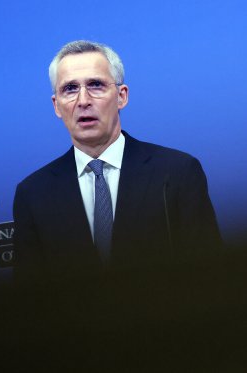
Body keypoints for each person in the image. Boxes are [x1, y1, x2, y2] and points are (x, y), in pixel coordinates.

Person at [12, 40, 221, 281]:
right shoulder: (33, 194)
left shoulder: (177, 173)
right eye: (70, 88)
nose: (83, 100)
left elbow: (210, 275)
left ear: (121, 96)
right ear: (56, 105)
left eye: (96, 85)